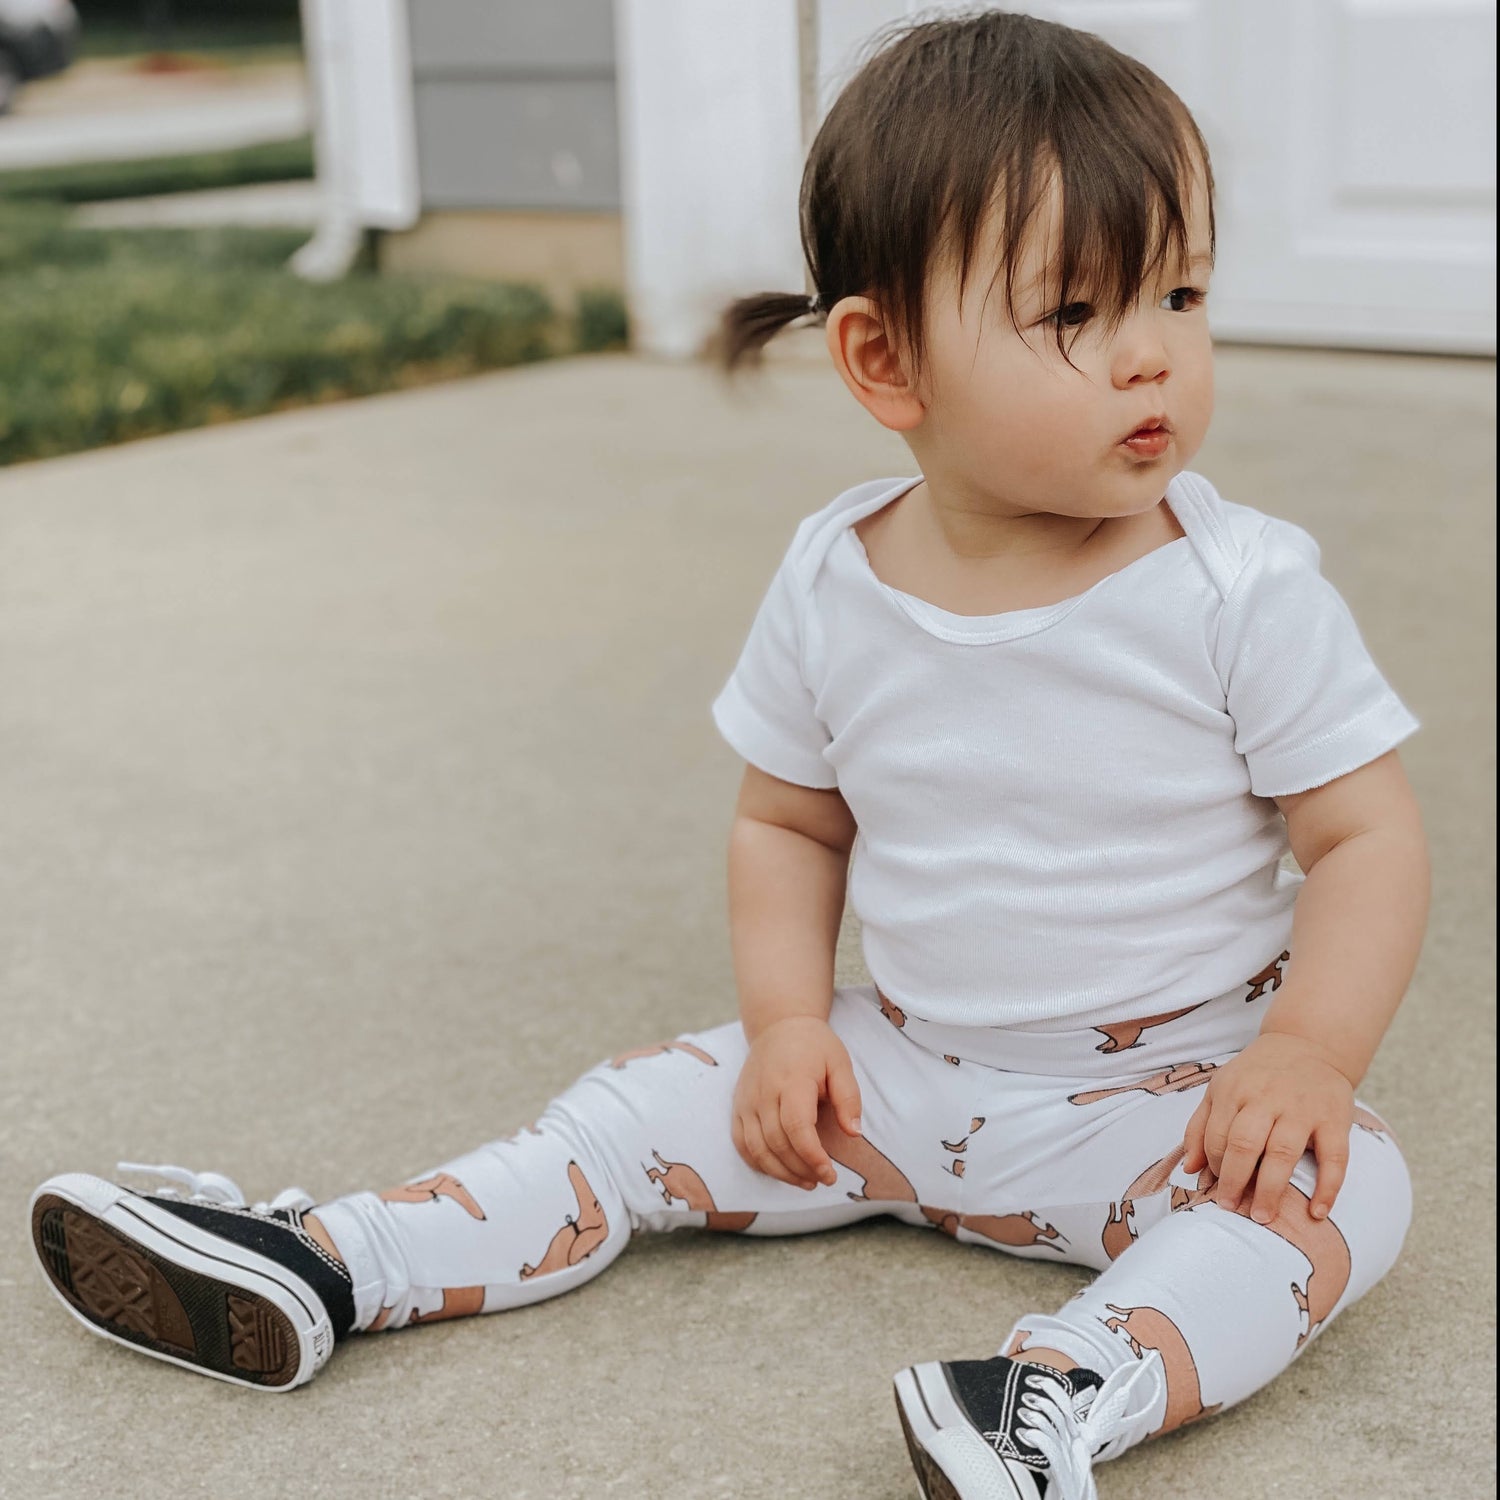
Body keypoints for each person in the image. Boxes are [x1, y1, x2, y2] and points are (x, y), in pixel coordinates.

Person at [27, 13, 1429, 1499]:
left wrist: (1304, 1057)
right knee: (629, 1112)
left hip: (1160, 1112)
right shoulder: (835, 578)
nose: (1155, 352)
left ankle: (1058, 1392)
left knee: (1349, 1193)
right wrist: (783, 1027)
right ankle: (337, 1262)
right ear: (886, 362)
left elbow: (1366, 841)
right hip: (888, 1082)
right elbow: (788, 825)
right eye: (1078, 313)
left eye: (1184, 290)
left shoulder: (1239, 590)